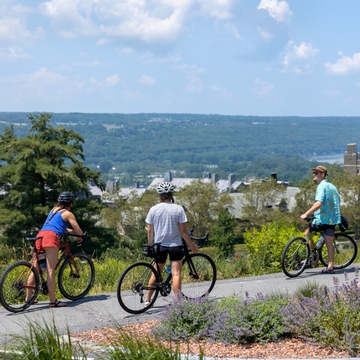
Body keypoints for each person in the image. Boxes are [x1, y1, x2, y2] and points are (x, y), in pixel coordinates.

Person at [144, 182, 198, 305]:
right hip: (175, 246)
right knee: (176, 274)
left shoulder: (154, 209)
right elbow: (183, 232)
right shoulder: (178, 209)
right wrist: (193, 247)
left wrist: (150, 244)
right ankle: (178, 302)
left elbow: (149, 230)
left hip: (160, 246)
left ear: (160, 195)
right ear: (171, 195)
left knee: (156, 273)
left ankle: (147, 300)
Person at [27, 191, 83, 307]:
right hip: (51, 238)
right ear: (71, 203)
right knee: (50, 270)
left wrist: (73, 233)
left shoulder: (54, 210)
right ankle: (53, 301)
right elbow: (79, 232)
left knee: (36, 269)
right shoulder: (68, 214)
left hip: (40, 236)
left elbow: (61, 227)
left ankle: (28, 298)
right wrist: (80, 237)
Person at [300, 165, 341, 274]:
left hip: (322, 219)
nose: (314, 175)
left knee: (307, 233)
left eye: (316, 173)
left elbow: (319, 203)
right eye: (313, 173)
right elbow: (337, 201)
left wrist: (306, 213)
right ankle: (330, 267)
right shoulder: (332, 187)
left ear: (322, 174)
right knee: (329, 243)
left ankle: (311, 256)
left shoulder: (321, 187)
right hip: (332, 220)